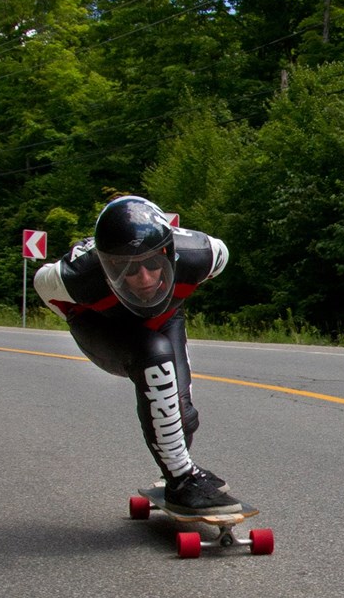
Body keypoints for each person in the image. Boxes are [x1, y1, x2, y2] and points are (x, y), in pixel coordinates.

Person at [33, 195, 241, 514]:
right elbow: (42, 286)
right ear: (107, 266)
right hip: (102, 323)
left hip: (165, 317)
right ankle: (182, 480)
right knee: (152, 352)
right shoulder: (76, 276)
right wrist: (89, 322)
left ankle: (178, 470)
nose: (145, 278)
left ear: (169, 253)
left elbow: (219, 256)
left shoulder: (204, 254)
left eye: (154, 263)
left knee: (183, 416)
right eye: (128, 268)